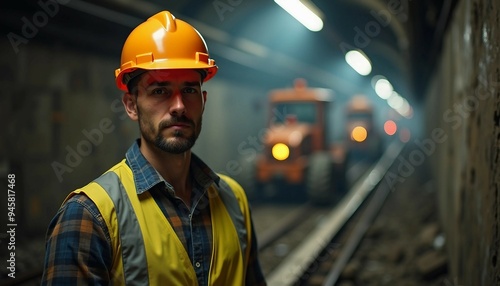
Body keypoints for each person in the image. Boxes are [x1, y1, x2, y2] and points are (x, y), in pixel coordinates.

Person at [42, 10, 267, 285]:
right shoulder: (89, 216)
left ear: (203, 101)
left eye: (189, 90)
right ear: (131, 105)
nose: (179, 106)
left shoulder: (234, 200)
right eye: (159, 91)